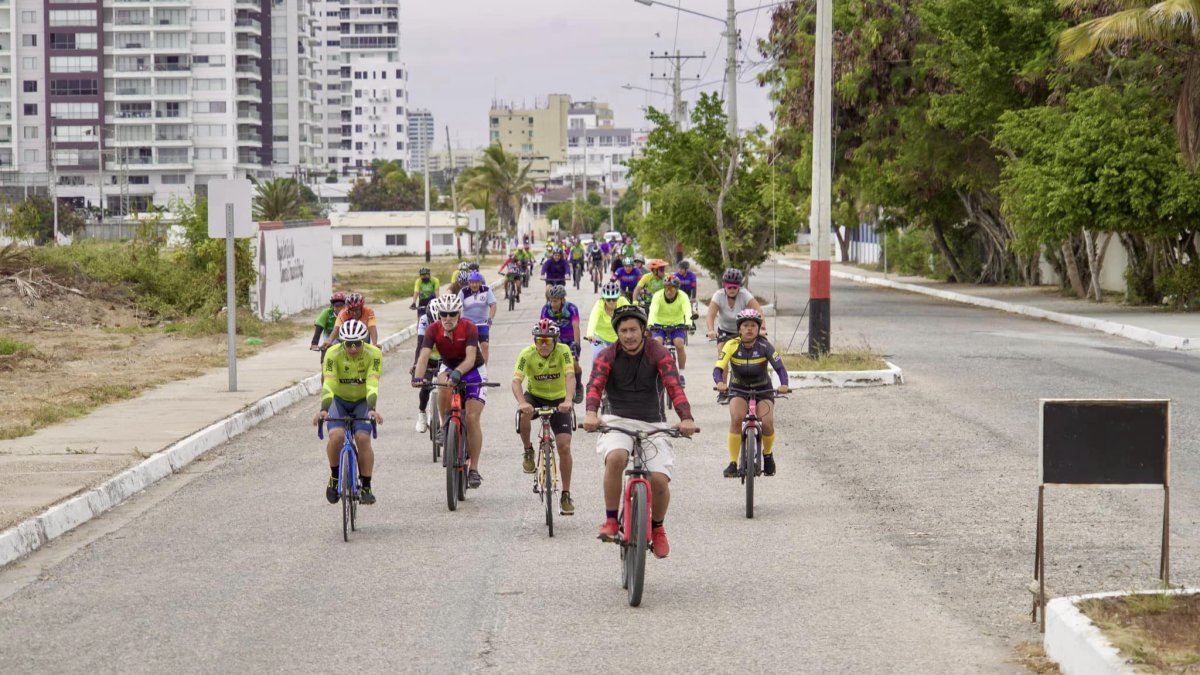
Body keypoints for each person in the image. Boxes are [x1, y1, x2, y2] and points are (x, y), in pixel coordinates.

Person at [582, 305, 698, 559]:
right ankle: (612, 520)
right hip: (616, 419)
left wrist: (686, 418)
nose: (629, 335)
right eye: (623, 330)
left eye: (633, 329)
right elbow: (595, 385)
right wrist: (591, 413)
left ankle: (657, 527)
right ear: (617, 333)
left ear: (643, 330)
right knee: (616, 458)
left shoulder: (657, 352)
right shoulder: (607, 354)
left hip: (653, 422)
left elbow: (673, 385)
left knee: (658, 480)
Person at [411, 294, 489, 489]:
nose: (447, 318)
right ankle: (446, 425)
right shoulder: (433, 329)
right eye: (443, 314)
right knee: (440, 382)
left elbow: (471, 358)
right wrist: (417, 377)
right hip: (448, 367)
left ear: (459, 314)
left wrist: (458, 373)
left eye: (451, 314)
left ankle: (474, 469)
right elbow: (424, 356)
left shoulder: (469, 327)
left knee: (471, 418)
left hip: (473, 371)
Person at [314, 319, 383, 505]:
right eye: (348, 344)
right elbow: (329, 382)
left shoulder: (374, 354)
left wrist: (372, 409)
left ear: (365, 341)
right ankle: (335, 476)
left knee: (362, 438)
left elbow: (372, 383)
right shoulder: (332, 353)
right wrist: (323, 409)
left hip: (362, 401)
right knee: (336, 436)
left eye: (357, 344)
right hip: (339, 400)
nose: (353, 348)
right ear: (341, 342)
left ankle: (366, 485)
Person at [714, 308, 790, 477]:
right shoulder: (731, 345)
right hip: (738, 388)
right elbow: (718, 368)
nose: (749, 329)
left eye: (753, 326)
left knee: (767, 422)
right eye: (745, 325)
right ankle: (733, 463)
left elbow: (780, 368)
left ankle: (768, 455)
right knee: (736, 419)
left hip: (763, 389)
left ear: (758, 328)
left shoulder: (765, 345)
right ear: (739, 329)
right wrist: (720, 382)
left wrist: (784, 384)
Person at [512, 319, 577, 515]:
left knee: (564, 446)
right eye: (539, 340)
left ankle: (565, 493)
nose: (543, 344)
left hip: (559, 399)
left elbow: (570, 377)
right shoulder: (527, 354)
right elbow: (516, 382)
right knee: (523, 414)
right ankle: (528, 450)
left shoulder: (564, 351)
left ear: (556, 340)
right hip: (536, 397)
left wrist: (568, 400)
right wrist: (523, 402)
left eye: (548, 340)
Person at [540, 284, 584, 404]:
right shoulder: (546, 309)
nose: (553, 304)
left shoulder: (571, 308)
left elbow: (576, 327)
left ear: (562, 300)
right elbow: (543, 327)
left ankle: (579, 385)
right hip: (555, 339)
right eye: (551, 300)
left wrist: (577, 344)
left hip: (570, 339)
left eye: (555, 301)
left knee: (574, 364)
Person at [648, 276, 693, 385]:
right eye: (667, 288)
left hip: (677, 324)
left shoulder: (683, 296)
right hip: (659, 324)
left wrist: (688, 323)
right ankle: (655, 370)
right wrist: (650, 324)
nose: (669, 291)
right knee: (657, 343)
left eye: (672, 289)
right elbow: (653, 311)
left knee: (679, 344)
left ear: (677, 289)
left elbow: (687, 310)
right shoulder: (657, 296)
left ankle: (681, 374)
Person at [706, 268, 765, 347]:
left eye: (735, 287)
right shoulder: (718, 296)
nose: (732, 290)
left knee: (749, 350)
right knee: (721, 350)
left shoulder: (745, 295)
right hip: (724, 331)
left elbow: (759, 311)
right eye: (729, 287)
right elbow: (710, 315)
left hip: (742, 330)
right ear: (724, 286)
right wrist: (711, 330)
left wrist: (762, 328)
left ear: (739, 287)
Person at [411, 299, 442, 433]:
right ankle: (422, 413)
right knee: (425, 385)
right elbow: (419, 346)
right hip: (428, 357)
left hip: (444, 357)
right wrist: (416, 366)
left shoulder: (449, 319)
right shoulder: (423, 320)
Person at [584, 280, 630, 361]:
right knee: (597, 355)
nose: (611, 302)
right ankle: (594, 374)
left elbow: (633, 314)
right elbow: (593, 319)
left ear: (618, 297)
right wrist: (590, 334)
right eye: (608, 299)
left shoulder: (623, 301)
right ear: (604, 298)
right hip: (600, 338)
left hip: (619, 338)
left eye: (614, 299)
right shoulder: (599, 305)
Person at [458, 271, 497, 361]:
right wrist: (458, 321)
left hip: (482, 324)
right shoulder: (463, 292)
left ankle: (484, 370)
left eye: (476, 282)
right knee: (468, 347)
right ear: (469, 283)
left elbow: (493, 305)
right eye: (472, 282)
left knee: (485, 346)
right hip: (467, 324)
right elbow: (457, 307)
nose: (474, 285)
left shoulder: (486, 290)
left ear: (480, 282)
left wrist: (490, 319)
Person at [310, 292, 346, 362]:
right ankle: (324, 368)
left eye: (341, 306)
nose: (339, 308)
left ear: (345, 305)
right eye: (336, 306)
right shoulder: (326, 313)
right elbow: (319, 326)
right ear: (332, 306)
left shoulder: (349, 313)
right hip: (330, 340)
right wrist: (314, 343)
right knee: (325, 350)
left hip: (346, 339)